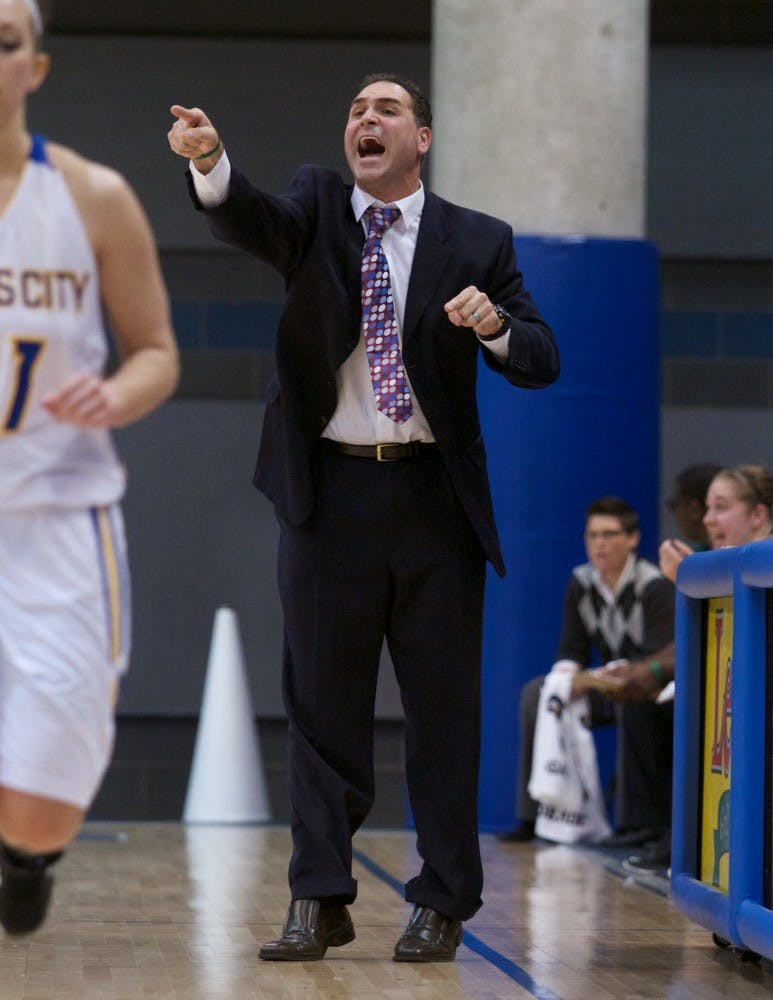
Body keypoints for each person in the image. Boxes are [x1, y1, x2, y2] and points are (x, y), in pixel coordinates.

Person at [167, 73, 559, 962]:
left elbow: (539, 358)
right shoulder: (315, 206)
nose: (364, 120)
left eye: (385, 110)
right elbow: (250, 218)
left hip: (432, 503)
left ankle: (443, 900)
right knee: (320, 710)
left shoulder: (476, 239)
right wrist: (211, 163)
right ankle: (319, 895)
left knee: (443, 712)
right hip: (329, 494)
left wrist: (494, 324)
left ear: (420, 138)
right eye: (354, 110)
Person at [0, 0, 179, 935]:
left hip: (57, 512)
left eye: (5, 43)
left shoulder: (92, 196)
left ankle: (25, 851)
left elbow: (156, 350)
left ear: (36, 66)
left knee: (42, 807)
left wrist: (118, 393)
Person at [608, 464, 773, 875]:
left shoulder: (760, 565)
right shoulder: (719, 566)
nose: (708, 519)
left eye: (721, 507)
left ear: (758, 516)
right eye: (707, 508)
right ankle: (679, 842)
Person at [502, 497, 675, 851]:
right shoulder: (581, 583)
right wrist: (566, 679)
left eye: (610, 534)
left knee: (634, 699)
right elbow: (571, 650)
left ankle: (636, 824)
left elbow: (660, 654)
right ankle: (535, 814)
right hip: (605, 684)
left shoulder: (653, 585)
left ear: (632, 538)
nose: (599, 543)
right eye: (593, 535)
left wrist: (616, 677)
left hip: (646, 686)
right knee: (539, 693)